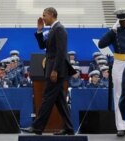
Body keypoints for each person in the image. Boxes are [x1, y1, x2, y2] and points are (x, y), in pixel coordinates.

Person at [21, 7, 76, 135]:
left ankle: (37, 127)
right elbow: (42, 46)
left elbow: (61, 52)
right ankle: (69, 128)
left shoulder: (59, 29)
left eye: (44, 15)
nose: (43, 18)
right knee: (60, 101)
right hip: (53, 69)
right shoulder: (53, 29)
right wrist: (39, 31)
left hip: (56, 70)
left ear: (52, 15)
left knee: (47, 98)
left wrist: (55, 70)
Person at [98, 9, 125, 137]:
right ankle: (121, 126)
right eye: (121, 21)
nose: (123, 23)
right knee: (118, 95)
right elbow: (101, 44)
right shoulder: (114, 33)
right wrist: (111, 31)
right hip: (118, 64)